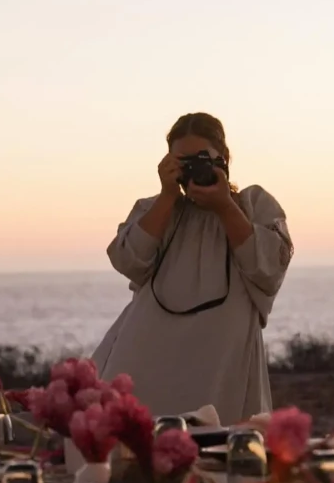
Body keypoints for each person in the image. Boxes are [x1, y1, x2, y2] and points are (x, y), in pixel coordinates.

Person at [93, 113, 293, 424]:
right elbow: (128, 261)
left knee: (222, 450)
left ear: (223, 158)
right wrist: (167, 196)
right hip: (147, 355)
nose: (192, 168)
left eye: (202, 158)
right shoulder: (155, 209)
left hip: (222, 364)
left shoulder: (253, 205)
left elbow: (268, 267)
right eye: (181, 161)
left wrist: (225, 205)